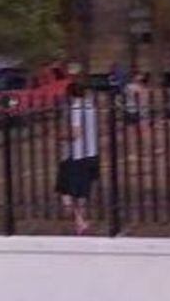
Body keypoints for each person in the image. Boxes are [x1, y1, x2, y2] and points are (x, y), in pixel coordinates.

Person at [55, 81, 99, 235]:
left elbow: (76, 133)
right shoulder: (90, 106)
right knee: (84, 189)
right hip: (91, 152)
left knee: (66, 186)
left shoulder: (75, 108)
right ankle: (79, 218)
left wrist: (60, 137)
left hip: (76, 154)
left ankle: (76, 217)